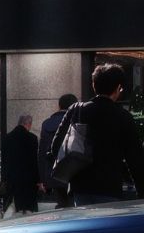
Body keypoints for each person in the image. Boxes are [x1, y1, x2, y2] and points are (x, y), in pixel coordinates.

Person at [50, 63, 144, 206]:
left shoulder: (77, 110)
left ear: (94, 85)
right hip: (110, 187)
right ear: (118, 88)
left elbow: (56, 146)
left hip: (80, 186)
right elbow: (135, 159)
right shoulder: (123, 116)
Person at [38, 94, 78, 208]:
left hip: (54, 173)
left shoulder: (46, 124)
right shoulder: (76, 121)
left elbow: (42, 153)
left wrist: (43, 178)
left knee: (62, 203)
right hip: (73, 173)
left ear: (59, 106)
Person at [2, 115, 40, 217]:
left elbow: (4, 161)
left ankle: (4, 224)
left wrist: (4, 178)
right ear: (29, 124)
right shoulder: (32, 138)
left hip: (12, 178)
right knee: (28, 208)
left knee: (12, 204)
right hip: (28, 180)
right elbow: (34, 162)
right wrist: (38, 180)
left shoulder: (7, 138)